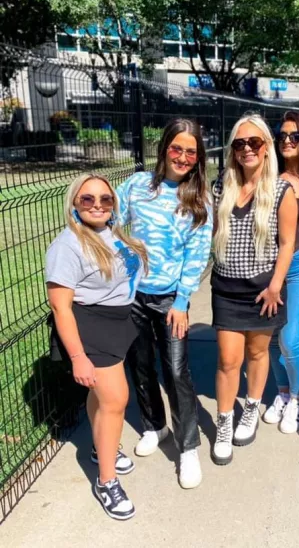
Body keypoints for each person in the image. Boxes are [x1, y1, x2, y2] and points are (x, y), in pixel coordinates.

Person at [116, 118, 212, 489]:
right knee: (140, 364)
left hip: (172, 299)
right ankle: (155, 426)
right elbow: (112, 219)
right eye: (176, 149)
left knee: (176, 371)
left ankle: (188, 448)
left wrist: (183, 300)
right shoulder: (138, 185)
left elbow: (197, 254)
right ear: (164, 149)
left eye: (191, 152)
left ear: (198, 157)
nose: (182, 158)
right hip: (133, 296)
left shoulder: (199, 199)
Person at [46, 173, 147, 520]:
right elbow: (60, 307)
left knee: (102, 398)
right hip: (89, 325)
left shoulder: (112, 233)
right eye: (87, 199)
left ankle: (100, 448)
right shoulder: (68, 245)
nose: (98, 205)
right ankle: (107, 482)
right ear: (74, 204)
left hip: (116, 322)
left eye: (105, 199)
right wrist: (78, 357)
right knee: (116, 399)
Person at [210, 113, 297, 465]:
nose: (247, 148)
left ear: (266, 147)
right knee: (228, 360)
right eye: (240, 143)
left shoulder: (281, 191)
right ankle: (224, 422)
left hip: (264, 291)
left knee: (258, 353)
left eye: (254, 142)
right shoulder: (220, 187)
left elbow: (287, 244)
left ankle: (251, 408)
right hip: (226, 288)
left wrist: (276, 286)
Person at [264, 111, 299, 433]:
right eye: (282, 135)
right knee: (272, 340)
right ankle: (283, 394)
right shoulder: (268, 175)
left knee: (290, 339)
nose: (287, 140)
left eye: (295, 136)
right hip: (269, 267)